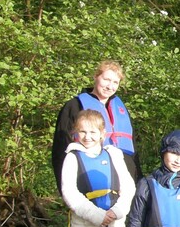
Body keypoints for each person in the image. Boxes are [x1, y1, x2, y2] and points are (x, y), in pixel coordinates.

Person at [52, 60, 141, 192]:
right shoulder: (74, 106)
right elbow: (61, 148)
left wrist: (138, 181)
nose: (110, 86)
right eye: (106, 79)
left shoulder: (120, 108)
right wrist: (65, 189)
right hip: (89, 174)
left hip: (123, 179)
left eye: (115, 82)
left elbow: (132, 148)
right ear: (96, 77)